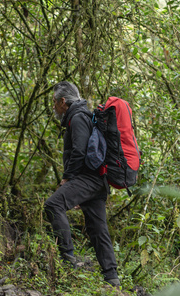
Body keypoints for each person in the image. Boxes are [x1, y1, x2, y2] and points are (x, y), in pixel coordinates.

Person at [44, 81, 121, 287]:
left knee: (53, 204)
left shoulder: (77, 117)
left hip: (88, 178)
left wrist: (68, 178)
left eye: (54, 102)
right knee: (97, 227)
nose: (53, 106)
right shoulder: (82, 116)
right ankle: (112, 277)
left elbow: (79, 151)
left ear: (63, 101)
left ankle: (68, 259)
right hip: (97, 180)